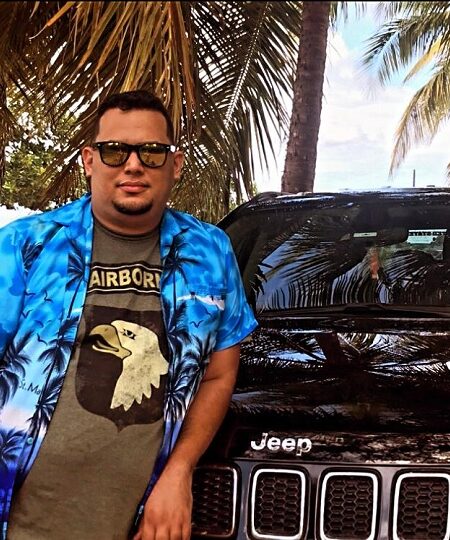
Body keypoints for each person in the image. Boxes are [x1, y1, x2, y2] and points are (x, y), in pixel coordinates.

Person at [0, 89, 258, 540]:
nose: (133, 165)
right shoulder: (26, 244)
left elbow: (219, 375)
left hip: (139, 522)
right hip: (23, 519)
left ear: (175, 165)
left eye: (152, 151)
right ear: (89, 161)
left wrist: (180, 469)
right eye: (114, 150)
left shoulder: (210, 251)